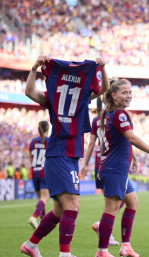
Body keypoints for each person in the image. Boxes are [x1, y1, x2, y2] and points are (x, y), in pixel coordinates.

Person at [21, 55, 109, 257]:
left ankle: (31, 245)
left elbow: (104, 89)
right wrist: (34, 67)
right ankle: (65, 254)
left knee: (60, 211)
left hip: (66, 156)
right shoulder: (76, 94)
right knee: (72, 206)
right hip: (60, 154)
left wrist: (35, 68)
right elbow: (103, 89)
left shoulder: (64, 94)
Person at [94, 79, 149, 257]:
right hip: (114, 168)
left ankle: (125, 246)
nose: (128, 96)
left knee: (132, 203)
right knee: (111, 209)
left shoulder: (110, 114)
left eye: (130, 93)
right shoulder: (119, 114)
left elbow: (120, 141)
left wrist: (132, 156)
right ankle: (102, 251)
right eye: (124, 93)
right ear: (114, 96)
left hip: (116, 167)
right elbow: (131, 138)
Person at [81, 96, 120, 246]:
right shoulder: (112, 117)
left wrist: (85, 164)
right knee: (114, 201)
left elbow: (92, 144)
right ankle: (103, 229)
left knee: (117, 200)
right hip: (111, 162)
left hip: (100, 162)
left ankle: (104, 229)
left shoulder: (96, 120)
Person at [27, 121, 50, 230]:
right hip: (44, 171)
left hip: (34, 171)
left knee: (40, 199)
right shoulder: (49, 141)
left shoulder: (33, 142)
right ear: (47, 129)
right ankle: (34, 217)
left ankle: (43, 221)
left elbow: (30, 158)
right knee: (45, 197)